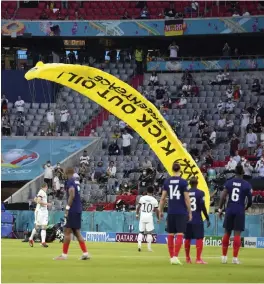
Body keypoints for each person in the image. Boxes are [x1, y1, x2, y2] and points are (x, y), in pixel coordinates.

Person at [218, 164, 252, 265]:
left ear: (235, 172)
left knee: (226, 233)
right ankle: (234, 258)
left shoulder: (229, 182)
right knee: (237, 234)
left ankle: (223, 257)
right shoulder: (246, 184)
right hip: (239, 210)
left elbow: (223, 196)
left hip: (230, 209)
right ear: (243, 173)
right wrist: (246, 207)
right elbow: (250, 201)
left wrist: (220, 209)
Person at [159, 162, 192, 265]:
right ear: (180, 169)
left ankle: (171, 257)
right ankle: (175, 256)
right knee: (180, 234)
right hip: (181, 211)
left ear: (172, 170)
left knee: (170, 234)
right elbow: (187, 199)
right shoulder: (183, 182)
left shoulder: (167, 182)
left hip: (171, 211)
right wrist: (190, 212)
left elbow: (163, 198)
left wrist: (160, 210)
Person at [54, 168, 90, 260]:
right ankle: (85, 253)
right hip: (78, 209)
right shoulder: (74, 181)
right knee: (77, 232)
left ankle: (64, 255)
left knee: (67, 231)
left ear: (67, 173)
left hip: (73, 210)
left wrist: (67, 208)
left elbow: (72, 194)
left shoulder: (70, 182)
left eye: (64, 173)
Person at [184, 177, 210, 264]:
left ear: (190, 184)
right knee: (199, 238)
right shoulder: (200, 193)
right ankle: (198, 259)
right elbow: (202, 206)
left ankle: (187, 258)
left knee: (187, 238)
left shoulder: (186, 193)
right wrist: (207, 218)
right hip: (197, 218)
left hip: (187, 218)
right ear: (197, 183)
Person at [136, 186, 159, 252]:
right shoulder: (154, 200)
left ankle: (139, 246)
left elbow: (138, 207)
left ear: (147, 191)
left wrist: (137, 214)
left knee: (141, 232)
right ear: (153, 191)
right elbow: (156, 210)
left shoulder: (142, 198)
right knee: (149, 233)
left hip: (142, 215)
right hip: (149, 216)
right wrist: (158, 218)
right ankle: (149, 248)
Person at [29, 183, 50, 248]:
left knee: (44, 227)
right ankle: (30, 238)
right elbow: (38, 201)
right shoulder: (41, 192)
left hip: (44, 211)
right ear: (46, 187)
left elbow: (35, 199)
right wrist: (46, 204)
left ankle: (43, 242)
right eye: (47, 187)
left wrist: (41, 203)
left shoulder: (41, 192)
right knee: (37, 227)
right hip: (40, 212)